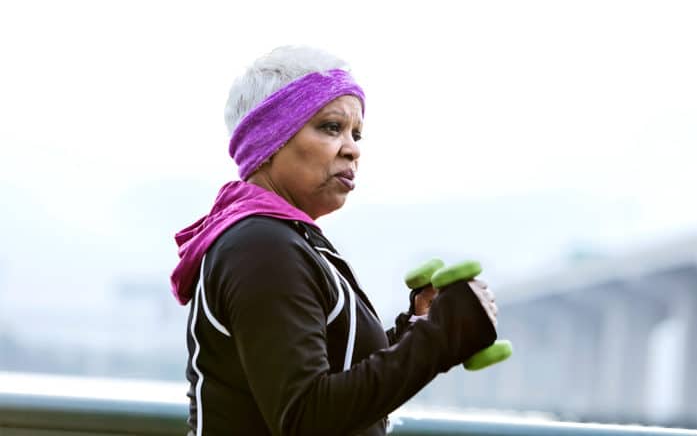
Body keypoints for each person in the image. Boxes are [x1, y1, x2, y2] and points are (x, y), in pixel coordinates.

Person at [170, 46, 498, 436]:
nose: (353, 148)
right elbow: (306, 418)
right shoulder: (261, 247)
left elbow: (339, 385)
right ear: (271, 138)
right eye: (331, 127)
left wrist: (419, 327)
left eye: (356, 133)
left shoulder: (283, 238)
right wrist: (443, 336)